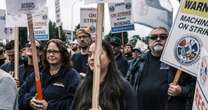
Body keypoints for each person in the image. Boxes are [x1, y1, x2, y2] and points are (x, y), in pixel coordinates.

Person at [128, 27, 196, 110]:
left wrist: (181, 90)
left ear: (169, 40)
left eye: (163, 37)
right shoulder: (137, 62)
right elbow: (127, 87)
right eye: (153, 37)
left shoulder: (180, 63)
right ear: (149, 42)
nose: (158, 39)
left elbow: (195, 88)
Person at [71, 40, 137, 110]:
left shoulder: (122, 87)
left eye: (97, 54)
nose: (92, 58)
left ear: (109, 58)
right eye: (90, 54)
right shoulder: (83, 86)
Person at [19, 39, 80, 110]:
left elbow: (75, 102)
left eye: (55, 52)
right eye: (49, 51)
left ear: (63, 54)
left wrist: (49, 106)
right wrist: (29, 101)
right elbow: (21, 94)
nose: (51, 54)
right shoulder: (38, 73)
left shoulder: (71, 76)